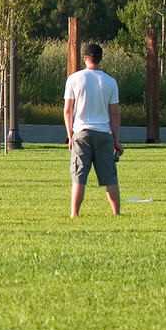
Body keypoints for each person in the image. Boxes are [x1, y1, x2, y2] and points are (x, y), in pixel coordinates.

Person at [63, 43, 123, 218]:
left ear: (85, 58)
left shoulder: (74, 79)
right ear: (100, 58)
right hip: (104, 133)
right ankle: (116, 213)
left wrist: (70, 135)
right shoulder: (110, 82)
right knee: (109, 176)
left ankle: (75, 213)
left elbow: (68, 110)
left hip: (81, 132)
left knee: (79, 176)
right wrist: (116, 140)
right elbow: (115, 113)